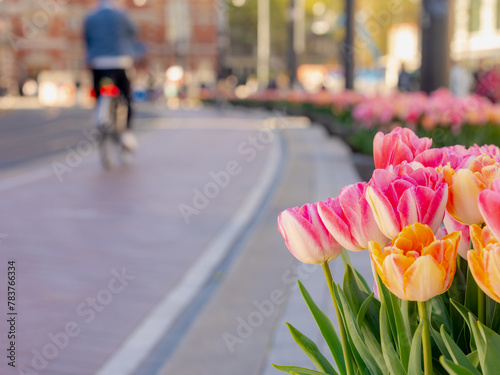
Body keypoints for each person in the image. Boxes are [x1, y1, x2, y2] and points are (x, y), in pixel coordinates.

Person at [84, 0, 145, 152]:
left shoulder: (90, 17)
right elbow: (133, 32)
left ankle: (99, 113)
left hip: (98, 63)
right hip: (120, 62)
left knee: (99, 94)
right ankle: (127, 133)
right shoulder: (121, 15)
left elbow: (87, 39)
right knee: (126, 97)